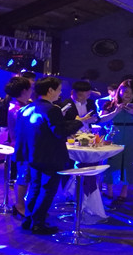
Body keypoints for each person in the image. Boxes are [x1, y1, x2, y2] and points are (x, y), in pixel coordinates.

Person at [19, 76, 88, 234]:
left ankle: (29, 219)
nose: (60, 93)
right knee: (47, 190)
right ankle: (38, 223)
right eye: (58, 90)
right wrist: (79, 122)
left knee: (35, 187)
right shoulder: (52, 109)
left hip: (33, 154)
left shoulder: (28, 108)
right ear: (50, 90)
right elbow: (59, 131)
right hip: (50, 155)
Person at [99, 79, 133, 202]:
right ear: (119, 91)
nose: (128, 95)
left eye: (131, 92)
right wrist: (115, 112)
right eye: (125, 91)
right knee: (110, 163)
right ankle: (109, 191)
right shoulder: (110, 104)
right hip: (114, 134)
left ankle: (124, 192)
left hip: (132, 136)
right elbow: (101, 119)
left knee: (129, 163)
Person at [4, 75, 32, 218]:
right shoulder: (17, 108)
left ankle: (23, 204)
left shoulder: (20, 106)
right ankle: (19, 205)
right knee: (24, 176)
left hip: (25, 144)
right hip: (23, 145)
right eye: (30, 87)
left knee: (26, 175)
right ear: (24, 90)